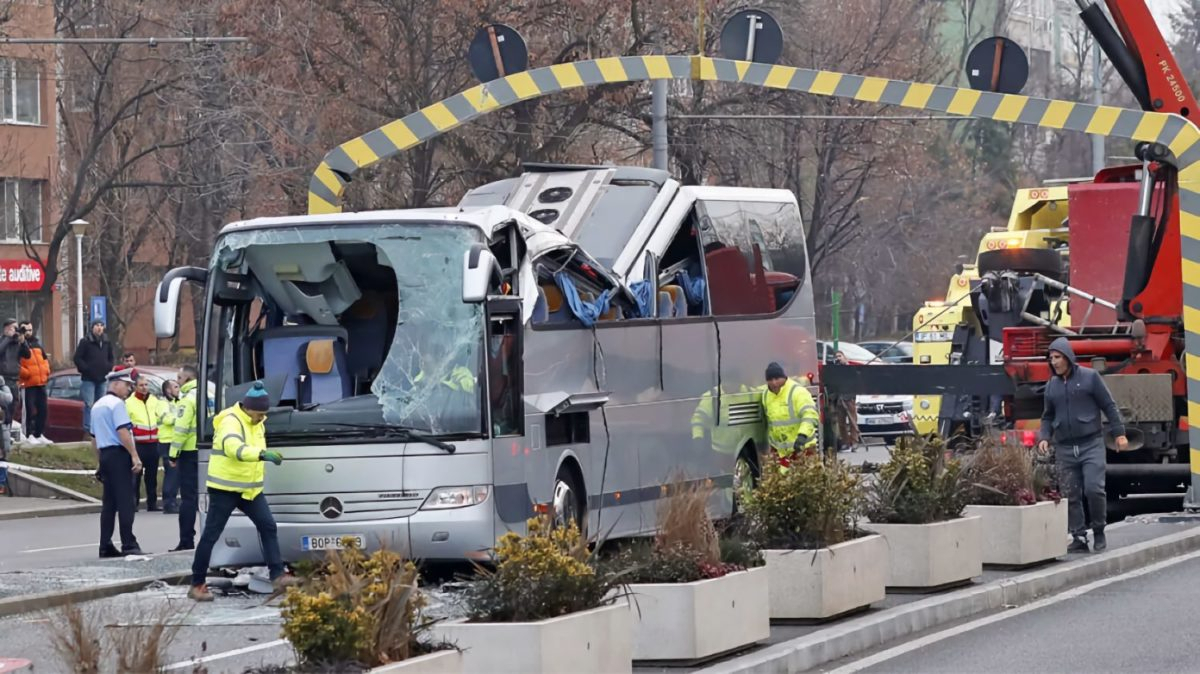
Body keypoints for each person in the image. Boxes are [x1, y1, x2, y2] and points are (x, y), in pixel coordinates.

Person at [188, 382, 299, 601]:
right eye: (258, 413)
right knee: (211, 535)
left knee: (268, 526)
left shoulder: (257, 421)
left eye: (263, 414)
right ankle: (197, 584)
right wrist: (261, 455)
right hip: (225, 488)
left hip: (250, 490)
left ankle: (278, 575)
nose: (261, 418)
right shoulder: (231, 421)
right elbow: (234, 449)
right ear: (248, 408)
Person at [1036, 338, 1127, 553]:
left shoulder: (1090, 378)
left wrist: (1119, 433)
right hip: (1065, 448)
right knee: (1071, 494)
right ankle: (1078, 536)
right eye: (1052, 358)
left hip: (1091, 444)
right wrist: (1044, 437)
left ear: (1068, 357)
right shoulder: (1052, 386)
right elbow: (1047, 416)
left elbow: (1109, 406)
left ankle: (1098, 531)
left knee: (1094, 489)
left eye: (1057, 357)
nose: (1054, 362)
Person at [94, 366, 145, 557]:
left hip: (106, 455)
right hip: (119, 454)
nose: (129, 389)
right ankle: (128, 543)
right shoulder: (117, 405)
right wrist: (134, 455)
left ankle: (105, 544)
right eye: (127, 385)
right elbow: (122, 431)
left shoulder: (98, 405)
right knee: (126, 501)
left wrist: (99, 461)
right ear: (116, 384)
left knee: (109, 503)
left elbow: (94, 438)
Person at [761, 361, 821, 470]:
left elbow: (810, 415)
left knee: (807, 482)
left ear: (784, 377)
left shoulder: (798, 392)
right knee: (783, 484)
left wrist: (802, 435)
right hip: (780, 453)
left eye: (777, 379)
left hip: (803, 448)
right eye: (770, 380)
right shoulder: (766, 395)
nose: (774, 383)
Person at [168, 365, 202, 551]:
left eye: (179, 378)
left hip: (189, 453)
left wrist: (173, 454)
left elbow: (180, 429)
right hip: (209, 451)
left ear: (188, 380)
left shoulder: (187, 400)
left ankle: (186, 540)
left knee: (188, 499)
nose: (177, 382)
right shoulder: (210, 394)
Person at [127, 375, 167, 511]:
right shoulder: (129, 403)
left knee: (152, 477)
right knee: (135, 477)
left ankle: (152, 503)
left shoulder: (154, 400)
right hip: (138, 445)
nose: (144, 388)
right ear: (135, 387)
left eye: (146, 385)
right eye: (141, 385)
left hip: (153, 443)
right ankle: (133, 503)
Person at [74, 320, 114, 437]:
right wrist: (86, 369)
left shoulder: (106, 342)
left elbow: (111, 357)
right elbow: (77, 358)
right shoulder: (85, 342)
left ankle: (100, 428)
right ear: (92, 328)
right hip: (88, 379)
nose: (99, 328)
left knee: (101, 404)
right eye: (97, 326)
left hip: (102, 378)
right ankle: (88, 429)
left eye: (101, 326)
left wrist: (108, 367)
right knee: (89, 405)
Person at [18, 321, 50, 445]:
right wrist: (26, 374)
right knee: (29, 410)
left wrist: (46, 371)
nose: (28, 332)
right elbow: (16, 363)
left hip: (41, 382)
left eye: (30, 330)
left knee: (43, 409)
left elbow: (45, 360)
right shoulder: (19, 345)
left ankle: (38, 433)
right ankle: (28, 434)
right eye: (26, 330)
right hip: (28, 384)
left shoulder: (37, 344)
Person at [159, 379, 181, 514]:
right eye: (176, 387)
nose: (178, 389)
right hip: (166, 442)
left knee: (176, 473)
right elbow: (166, 419)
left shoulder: (176, 403)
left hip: (175, 441)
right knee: (171, 473)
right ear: (168, 390)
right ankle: (168, 503)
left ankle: (172, 500)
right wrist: (181, 419)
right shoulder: (162, 404)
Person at [832, 351, 861, 453]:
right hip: (840, 399)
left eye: (840, 356)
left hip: (849, 398)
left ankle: (854, 442)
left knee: (852, 421)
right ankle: (845, 442)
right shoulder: (836, 370)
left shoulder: (850, 369)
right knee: (841, 423)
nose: (838, 358)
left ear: (844, 357)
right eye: (837, 357)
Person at [0, 319, 25, 435]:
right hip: (3, 379)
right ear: (6, 329)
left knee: (13, 405)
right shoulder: (2, 340)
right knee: (5, 406)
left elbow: (27, 354)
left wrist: (23, 341)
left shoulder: (17, 343)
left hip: (15, 379)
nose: (16, 330)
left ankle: (7, 432)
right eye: (13, 328)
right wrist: (8, 338)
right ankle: (3, 432)